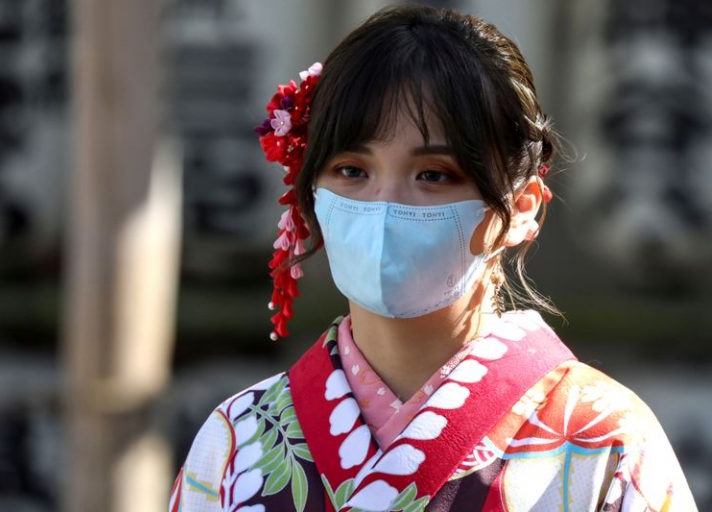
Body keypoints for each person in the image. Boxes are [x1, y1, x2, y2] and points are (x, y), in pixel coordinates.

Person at [170, 5, 697, 512]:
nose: (384, 205)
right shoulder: (239, 436)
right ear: (311, 193)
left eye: (434, 175)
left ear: (520, 207)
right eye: (352, 171)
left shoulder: (603, 436)